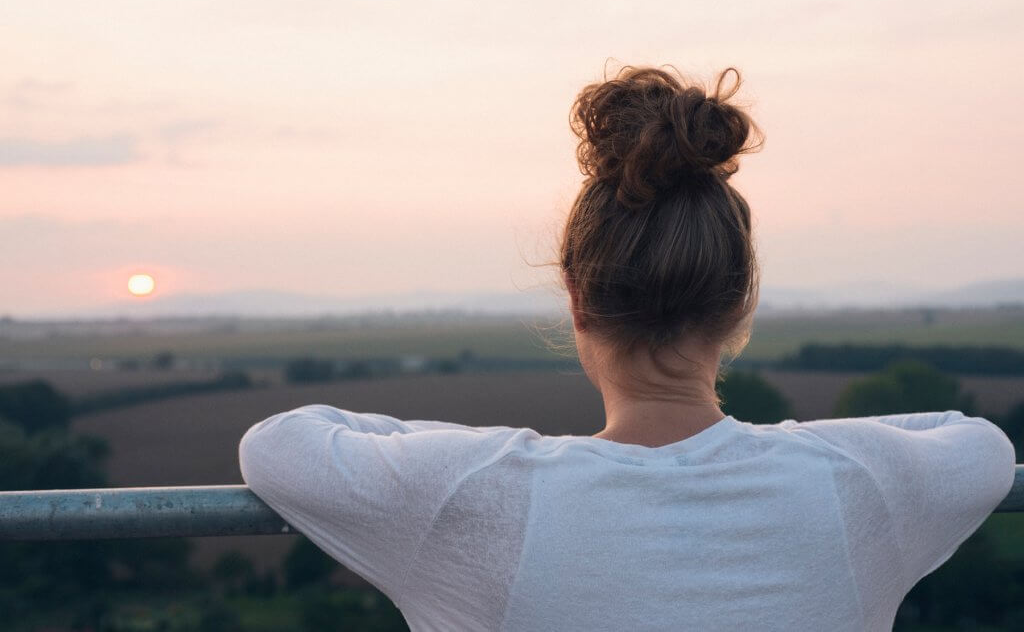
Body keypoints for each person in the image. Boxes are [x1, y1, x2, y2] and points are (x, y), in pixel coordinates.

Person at [239, 65, 1016, 631]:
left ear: (577, 301)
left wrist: (473, 452)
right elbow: (974, 441)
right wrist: (804, 447)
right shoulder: (858, 487)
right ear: (742, 300)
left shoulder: (475, 497)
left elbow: (279, 444)